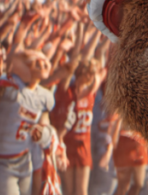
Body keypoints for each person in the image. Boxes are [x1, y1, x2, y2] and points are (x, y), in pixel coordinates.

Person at [0, 50, 55, 195]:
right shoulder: (9, 86)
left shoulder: (45, 96)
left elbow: (45, 125)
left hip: (23, 160)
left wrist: (43, 134)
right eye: (37, 61)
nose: (43, 64)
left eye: (45, 60)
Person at [55, 58, 101, 195]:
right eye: (89, 74)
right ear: (80, 73)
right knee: (69, 191)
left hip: (83, 146)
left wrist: (93, 66)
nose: (91, 77)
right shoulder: (69, 92)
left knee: (81, 191)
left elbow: (100, 75)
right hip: (68, 144)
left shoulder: (91, 92)